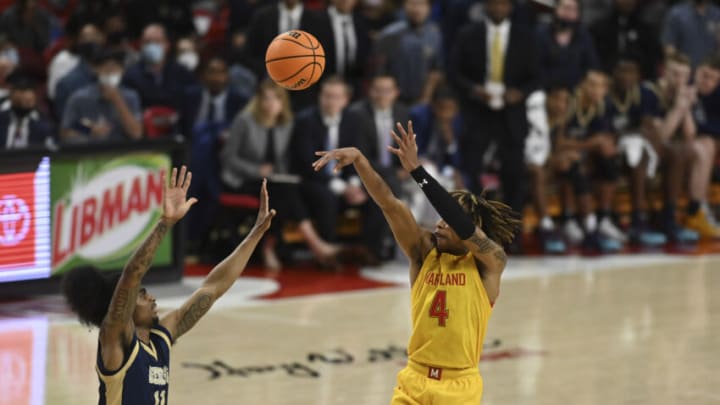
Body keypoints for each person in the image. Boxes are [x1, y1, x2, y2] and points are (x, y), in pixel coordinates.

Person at [312, 121, 520, 404]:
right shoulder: (423, 252)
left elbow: (463, 226)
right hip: (413, 380)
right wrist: (360, 161)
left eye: (450, 218)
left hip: (459, 386)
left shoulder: (490, 263)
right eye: (442, 217)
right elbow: (390, 204)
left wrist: (416, 171)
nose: (441, 222)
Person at [61, 166, 275, 404]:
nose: (152, 298)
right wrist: (165, 222)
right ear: (126, 305)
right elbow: (132, 274)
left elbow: (212, 288)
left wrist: (255, 234)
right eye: (142, 295)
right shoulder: (115, 337)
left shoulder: (159, 339)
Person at [221, 80, 338, 269]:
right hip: (243, 180)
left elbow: (284, 160)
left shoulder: (287, 123)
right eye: (266, 98)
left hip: (275, 182)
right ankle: (314, 245)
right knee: (283, 194)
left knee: (288, 192)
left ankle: (272, 246)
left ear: (283, 103)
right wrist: (256, 170)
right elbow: (228, 158)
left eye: (276, 99)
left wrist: (283, 175)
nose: (271, 103)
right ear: (259, 100)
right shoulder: (245, 121)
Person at [449, 0, 539, 247]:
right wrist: (474, 90)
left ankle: (511, 236)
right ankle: (477, 234)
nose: (499, 8)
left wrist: (519, 92)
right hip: (478, 113)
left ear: (510, 8)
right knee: (473, 173)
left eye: (503, 5)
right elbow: (454, 73)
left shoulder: (526, 37)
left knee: (513, 175)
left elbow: (537, 75)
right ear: (486, 6)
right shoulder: (468, 34)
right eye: (494, 4)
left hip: (511, 115)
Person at [290, 76, 385, 263]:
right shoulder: (305, 121)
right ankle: (329, 255)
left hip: (346, 179)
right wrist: (342, 188)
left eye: (335, 97)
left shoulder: (354, 120)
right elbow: (308, 163)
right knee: (326, 198)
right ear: (320, 97)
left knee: (377, 195)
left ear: (345, 100)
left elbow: (358, 155)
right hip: (314, 180)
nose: (330, 101)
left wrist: (354, 184)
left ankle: (369, 250)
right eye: (326, 96)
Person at [607, 56, 694, 245]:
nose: (626, 76)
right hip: (615, 148)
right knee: (638, 154)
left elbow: (652, 130)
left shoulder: (642, 94)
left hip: (639, 143)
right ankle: (637, 220)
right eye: (623, 71)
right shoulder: (609, 95)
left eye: (631, 72)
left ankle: (668, 216)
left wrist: (682, 107)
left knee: (676, 153)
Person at [650, 53, 720, 239]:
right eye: (675, 73)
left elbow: (690, 134)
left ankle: (697, 209)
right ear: (665, 71)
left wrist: (686, 106)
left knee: (705, 144)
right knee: (694, 147)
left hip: (677, 150)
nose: (679, 79)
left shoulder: (686, 94)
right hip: (653, 150)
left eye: (683, 75)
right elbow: (661, 136)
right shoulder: (652, 91)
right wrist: (679, 108)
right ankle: (693, 210)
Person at [554, 70, 623, 251]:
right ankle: (571, 221)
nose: (596, 90)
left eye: (601, 86)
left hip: (581, 153)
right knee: (572, 164)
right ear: (582, 85)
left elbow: (602, 139)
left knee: (608, 161)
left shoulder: (599, 107)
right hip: (554, 155)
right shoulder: (569, 104)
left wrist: (600, 146)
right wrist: (588, 145)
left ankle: (603, 218)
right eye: (592, 84)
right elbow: (557, 143)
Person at [370, 0, 444, 104]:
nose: (417, 9)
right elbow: (379, 72)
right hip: (392, 99)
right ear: (404, 6)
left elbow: (435, 70)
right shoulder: (389, 34)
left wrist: (426, 98)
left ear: (429, 8)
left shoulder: (435, 34)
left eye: (421, 4)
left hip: (422, 100)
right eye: (412, 3)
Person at [61, 50, 142, 143]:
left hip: (121, 152)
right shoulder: (79, 98)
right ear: (96, 70)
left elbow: (136, 134)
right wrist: (89, 130)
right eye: (107, 69)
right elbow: (65, 132)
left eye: (115, 69)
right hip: (89, 152)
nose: (111, 73)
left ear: (122, 71)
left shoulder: (131, 97)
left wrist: (117, 100)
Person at [121, 24, 197, 111]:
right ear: (141, 45)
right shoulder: (131, 76)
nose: (152, 46)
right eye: (147, 42)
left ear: (167, 45)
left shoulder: (182, 72)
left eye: (157, 42)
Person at [590, 0, 662, 80]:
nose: (627, 1)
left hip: (640, 81)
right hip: (606, 79)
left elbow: (652, 60)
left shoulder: (646, 30)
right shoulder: (600, 29)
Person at [536, 0, 600, 89]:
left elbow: (592, 66)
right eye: (566, 8)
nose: (568, 14)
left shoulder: (584, 37)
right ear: (556, 9)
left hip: (576, 90)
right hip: (544, 89)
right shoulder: (541, 34)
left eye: (573, 10)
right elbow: (534, 66)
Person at [0, 72, 53, 149]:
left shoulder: (43, 123)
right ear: (11, 94)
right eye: (22, 92)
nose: (27, 98)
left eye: (30, 100)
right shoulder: (2, 119)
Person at [661, 0, 720, 68]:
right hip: (684, 71)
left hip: (709, 72)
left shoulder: (717, 15)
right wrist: (678, 69)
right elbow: (669, 47)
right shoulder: (677, 13)